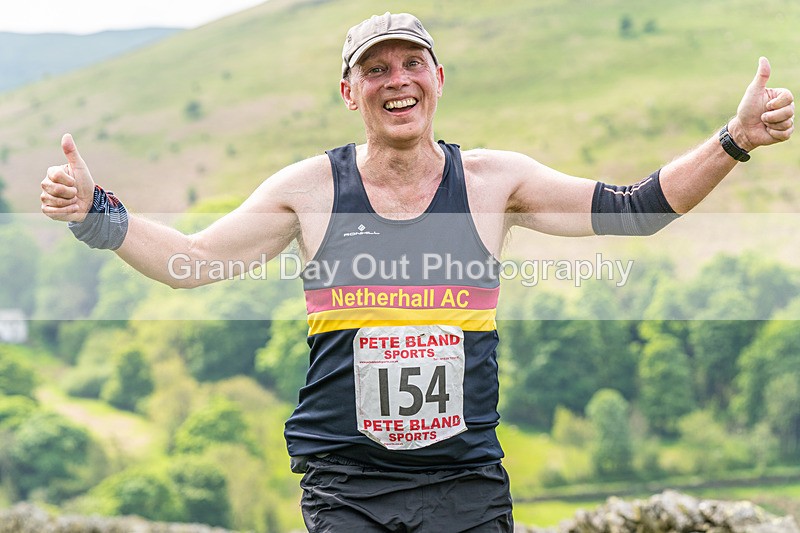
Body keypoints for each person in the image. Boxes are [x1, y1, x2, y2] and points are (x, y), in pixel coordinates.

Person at [40, 11, 793, 533]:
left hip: (464, 481)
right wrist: (94, 213)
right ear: (349, 92)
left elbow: (637, 208)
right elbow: (191, 263)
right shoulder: (308, 189)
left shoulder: (498, 181)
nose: (395, 80)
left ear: (439, 78)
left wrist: (735, 139)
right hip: (347, 485)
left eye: (410, 64)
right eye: (374, 69)